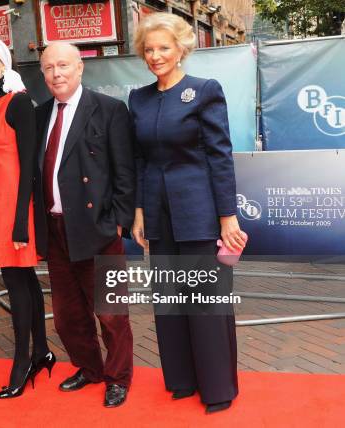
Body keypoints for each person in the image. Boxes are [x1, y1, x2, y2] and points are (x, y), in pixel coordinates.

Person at [128, 13, 246, 414]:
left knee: (207, 302)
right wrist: (140, 211)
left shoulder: (204, 91)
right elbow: (140, 159)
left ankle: (217, 389)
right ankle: (181, 379)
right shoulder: (139, 99)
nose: (156, 56)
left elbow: (220, 155)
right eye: (149, 49)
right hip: (158, 215)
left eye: (163, 47)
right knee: (169, 299)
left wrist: (227, 216)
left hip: (199, 210)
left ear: (181, 49)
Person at [34, 42, 136, 408]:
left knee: (110, 313)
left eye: (63, 65)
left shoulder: (109, 110)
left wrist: (118, 222)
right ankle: (90, 369)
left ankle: (118, 377)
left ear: (80, 68)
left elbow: (125, 171)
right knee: (67, 317)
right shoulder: (40, 114)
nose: (56, 73)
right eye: (48, 67)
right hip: (55, 230)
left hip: (98, 230)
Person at [0, 34, 53, 399]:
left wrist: (21, 220)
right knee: (24, 282)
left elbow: (30, 167)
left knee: (17, 286)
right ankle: (41, 351)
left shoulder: (18, 103)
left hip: (16, 207)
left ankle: (21, 364)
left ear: (4, 62)